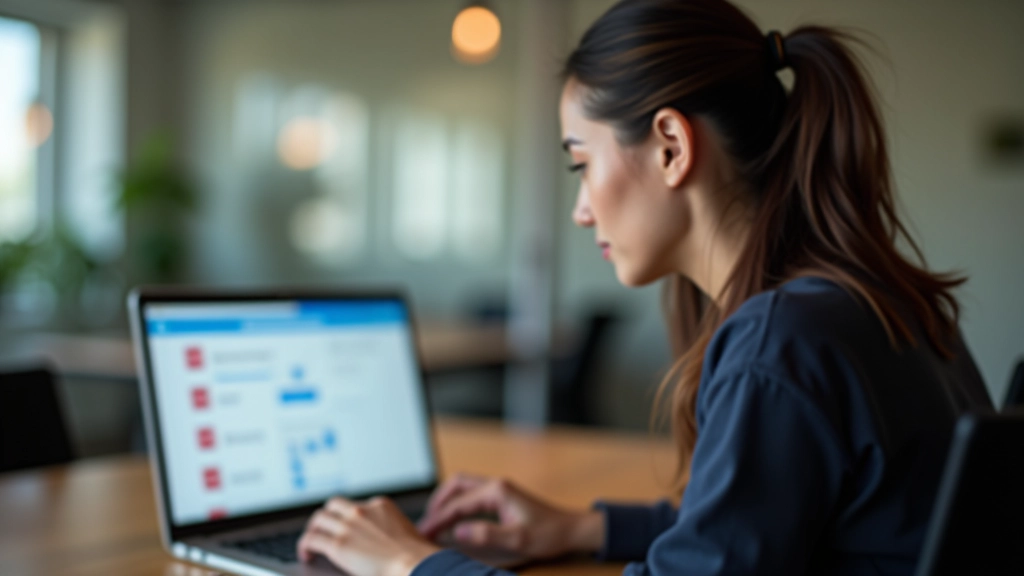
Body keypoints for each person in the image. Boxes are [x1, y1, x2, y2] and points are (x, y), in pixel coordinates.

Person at [294, 0, 993, 574]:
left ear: (671, 147)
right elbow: (762, 519)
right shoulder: (872, 303)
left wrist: (406, 563)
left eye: (580, 164)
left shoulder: (780, 340)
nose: (580, 210)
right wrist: (582, 526)